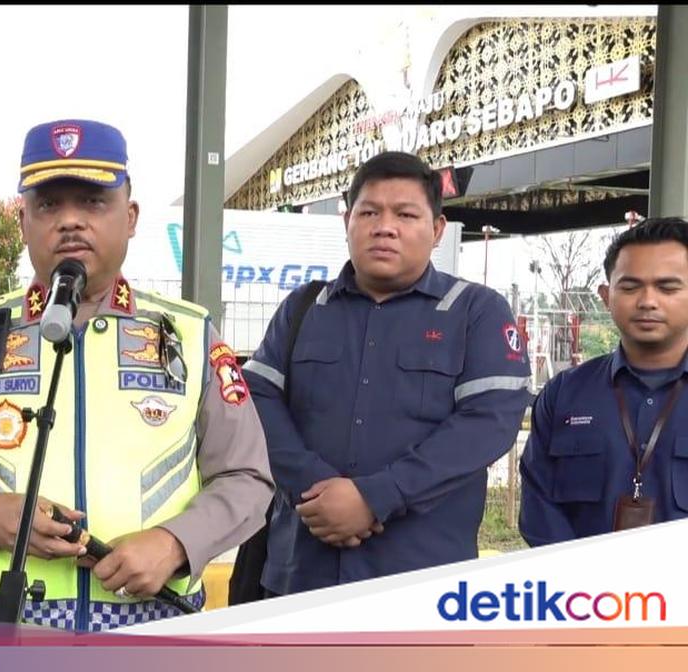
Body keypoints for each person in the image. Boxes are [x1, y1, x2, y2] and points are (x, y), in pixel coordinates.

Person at [0, 119, 273, 631]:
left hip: (152, 634)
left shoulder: (189, 335)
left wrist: (176, 543)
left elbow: (247, 477)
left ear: (129, 217)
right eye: (48, 205)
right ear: (23, 222)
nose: (70, 222)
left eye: (92, 202)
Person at [242, 150, 531, 596]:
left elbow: (488, 423)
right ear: (347, 222)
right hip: (300, 573)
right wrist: (318, 488)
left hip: (420, 582)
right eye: (370, 212)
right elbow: (254, 401)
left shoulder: (476, 312)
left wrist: (377, 496)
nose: (385, 227)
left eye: (406, 214)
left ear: (437, 230)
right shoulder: (303, 309)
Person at [520, 217, 688, 544]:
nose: (647, 301)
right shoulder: (564, 394)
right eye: (630, 286)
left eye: (667, 287)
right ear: (605, 295)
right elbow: (538, 508)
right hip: (585, 591)